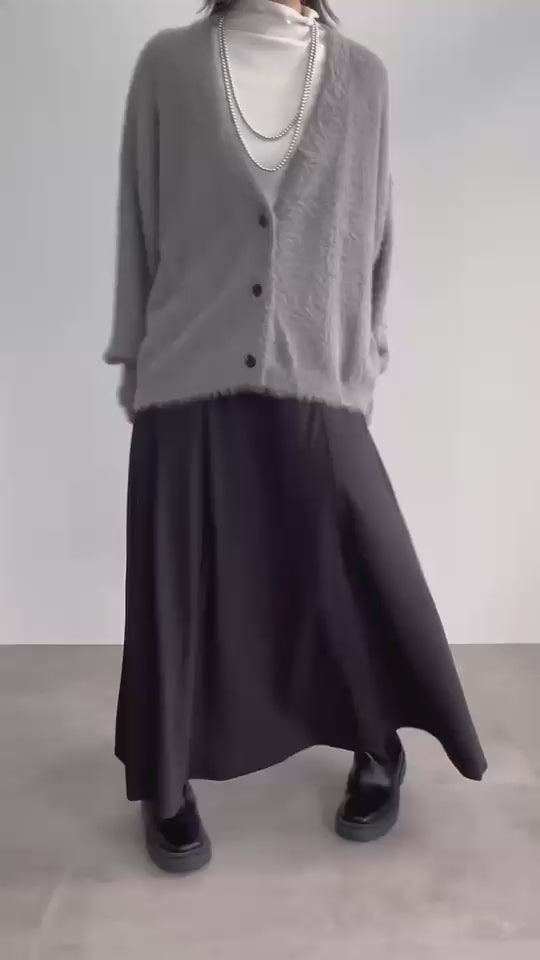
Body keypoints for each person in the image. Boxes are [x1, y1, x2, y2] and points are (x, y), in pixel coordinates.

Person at [104, 0, 487, 874]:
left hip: (318, 363)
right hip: (188, 363)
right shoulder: (169, 64)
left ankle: (376, 739)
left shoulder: (362, 76)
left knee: (352, 560)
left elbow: (374, 227)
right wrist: (135, 357)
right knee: (179, 578)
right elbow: (139, 217)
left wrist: (365, 353)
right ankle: (167, 776)